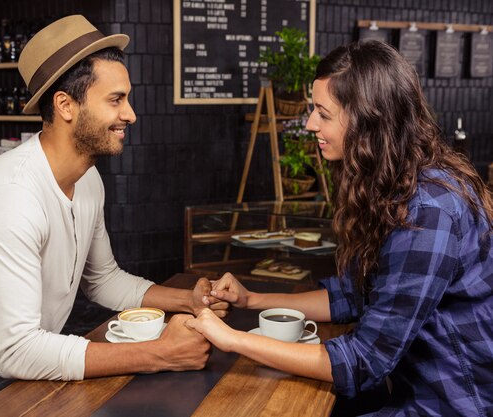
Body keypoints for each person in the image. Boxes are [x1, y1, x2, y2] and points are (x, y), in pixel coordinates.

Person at [0, 15, 227, 415]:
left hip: (17, 368)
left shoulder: (88, 180)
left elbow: (102, 279)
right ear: (65, 105)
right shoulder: (12, 196)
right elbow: (18, 352)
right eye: (116, 99)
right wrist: (161, 353)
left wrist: (188, 300)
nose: (131, 115)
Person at [187, 40, 493, 416]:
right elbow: (352, 295)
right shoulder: (396, 182)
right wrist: (253, 301)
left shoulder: (427, 213)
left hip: (454, 403)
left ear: (368, 120)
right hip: (411, 388)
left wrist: (232, 340)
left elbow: (364, 360)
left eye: (322, 113)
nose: (310, 123)